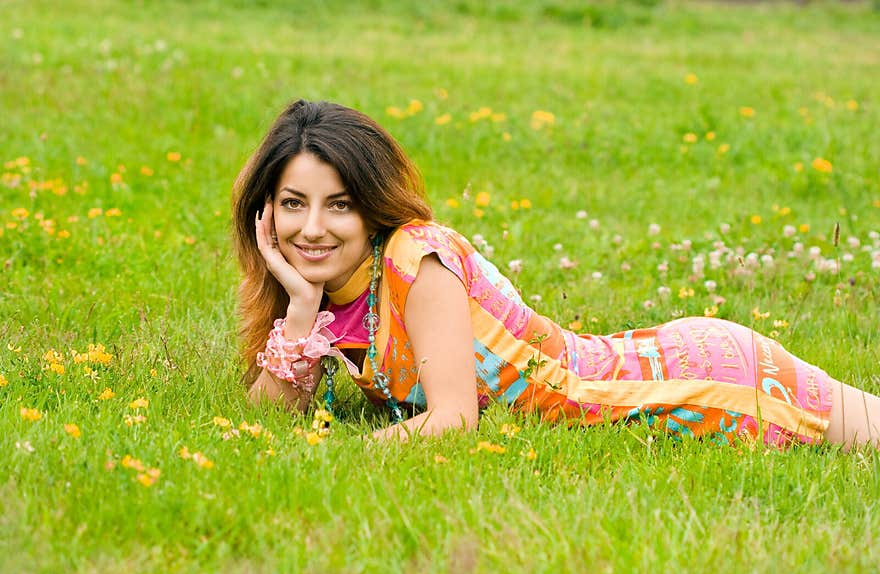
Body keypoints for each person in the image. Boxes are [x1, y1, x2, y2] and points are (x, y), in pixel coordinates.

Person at [231, 99, 880, 451]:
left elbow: (454, 419)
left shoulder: (415, 258)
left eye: (339, 203)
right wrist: (298, 308)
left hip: (691, 381)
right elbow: (264, 418)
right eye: (294, 203)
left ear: (370, 206)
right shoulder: (325, 295)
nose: (312, 227)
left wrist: (337, 459)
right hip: (647, 369)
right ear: (267, 210)